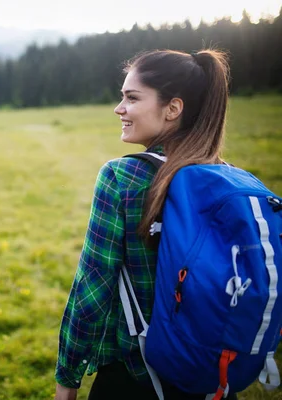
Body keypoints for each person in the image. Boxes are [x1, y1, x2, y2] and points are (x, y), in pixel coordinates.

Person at [55, 49, 236, 400]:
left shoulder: (123, 178)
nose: (118, 108)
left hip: (138, 376)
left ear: (173, 108)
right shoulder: (227, 179)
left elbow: (91, 291)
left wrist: (67, 379)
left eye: (131, 97)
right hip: (212, 374)